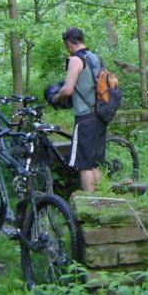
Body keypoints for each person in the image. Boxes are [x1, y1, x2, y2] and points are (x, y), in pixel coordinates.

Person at [51, 27, 107, 192]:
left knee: (84, 164)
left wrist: (55, 98)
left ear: (69, 44)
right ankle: (101, 199)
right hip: (100, 115)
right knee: (95, 163)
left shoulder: (76, 60)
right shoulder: (95, 58)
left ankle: (89, 205)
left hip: (85, 117)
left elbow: (68, 89)